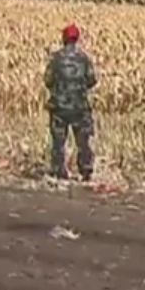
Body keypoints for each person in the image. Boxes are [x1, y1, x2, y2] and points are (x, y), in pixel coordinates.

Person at [45, 24, 97, 182]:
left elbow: (48, 80)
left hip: (59, 107)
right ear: (77, 39)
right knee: (83, 141)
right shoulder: (84, 58)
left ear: (64, 38)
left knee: (58, 142)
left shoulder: (55, 58)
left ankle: (58, 172)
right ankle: (86, 170)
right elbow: (92, 80)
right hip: (80, 107)